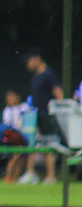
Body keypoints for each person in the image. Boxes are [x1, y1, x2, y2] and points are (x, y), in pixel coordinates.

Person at [22, 48, 63, 184]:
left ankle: (51, 176)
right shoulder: (35, 76)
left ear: (37, 58)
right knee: (31, 143)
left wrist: (60, 109)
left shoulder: (48, 74)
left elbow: (57, 91)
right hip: (35, 114)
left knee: (49, 144)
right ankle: (30, 173)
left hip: (47, 114)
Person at [1, 89, 29, 183]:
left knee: (23, 157)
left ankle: (15, 178)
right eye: (7, 97)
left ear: (17, 97)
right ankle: (9, 177)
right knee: (16, 155)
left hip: (24, 136)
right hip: (12, 137)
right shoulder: (7, 111)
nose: (9, 99)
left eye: (11, 96)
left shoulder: (24, 107)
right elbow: (8, 126)